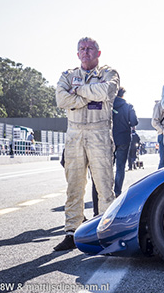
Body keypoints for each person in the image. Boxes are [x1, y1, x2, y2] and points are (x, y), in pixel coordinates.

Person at [54, 37, 119, 251]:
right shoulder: (68, 75)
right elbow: (62, 100)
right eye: (81, 49)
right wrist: (90, 94)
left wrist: (78, 91)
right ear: (77, 53)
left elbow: (106, 92)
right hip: (74, 134)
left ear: (98, 53)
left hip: (99, 131)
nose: (85, 52)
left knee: (104, 186)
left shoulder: (109, 74)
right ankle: (72, 231)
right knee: (74, 186)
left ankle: (106, 233)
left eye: (90, 48)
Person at [112, 88, 138, 196]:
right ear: (123, 95)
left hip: (109, 138)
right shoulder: (128, 106)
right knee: (120, 166)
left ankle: (106, 191)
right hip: (123, 138)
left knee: (107, 166)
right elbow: (134, 122)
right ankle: (117, 191)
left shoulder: (108, 105)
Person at [151, 100, 164, 169]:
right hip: (163, 135)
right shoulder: (160, 105)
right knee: (163, 161)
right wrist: (163, 131)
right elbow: (154, 122)